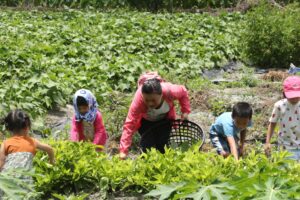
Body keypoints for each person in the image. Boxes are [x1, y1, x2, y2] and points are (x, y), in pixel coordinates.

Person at [119, 72, 191, 159]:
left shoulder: (169, 91)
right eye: (147, 100)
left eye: (153, 100)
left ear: (161, 95)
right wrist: (123, 151)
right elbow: (129, 124)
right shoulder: (139, 100)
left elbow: (183, 92)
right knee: (147, 147)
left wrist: (185, 111)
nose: (150, 103)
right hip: (146, 122)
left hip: (165, 119)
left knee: (162, 145)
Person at [265, 76, 300, 161]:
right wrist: (267, 142)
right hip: (285, 147)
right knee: (287, 172)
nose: (294, 98)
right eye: (291, 96)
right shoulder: (279, 105)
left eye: (297, 95)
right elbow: (272, 123)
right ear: (284, 93)